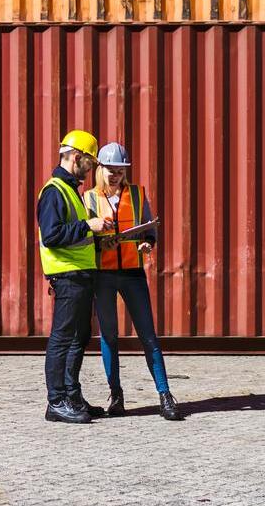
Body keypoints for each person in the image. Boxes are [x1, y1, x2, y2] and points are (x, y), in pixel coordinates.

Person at [83, 142, 183, 421]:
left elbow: (149, 227)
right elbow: (84, 237)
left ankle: (165, 395)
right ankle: (116, 395)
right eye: (111, 170)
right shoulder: (88, 198)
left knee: (148, 335)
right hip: (103, 274)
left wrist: (148, 243)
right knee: (109, 336)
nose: (116, 175)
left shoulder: (137, 194)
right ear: (100, 169)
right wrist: (100, 242)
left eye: (120, 171)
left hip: (132, 273)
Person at [37, 129, 112, 424]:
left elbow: (75, 235)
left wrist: (98, 238)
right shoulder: (54, 191)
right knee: (62, 338)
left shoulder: (71, 190)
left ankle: (71, 396)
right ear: (77, 157)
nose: (91, 169)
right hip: (67, 275)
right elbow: (52, 235)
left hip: (80, 275)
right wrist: (88, 226)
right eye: (90, 163)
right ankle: (56, 402)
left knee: (79, 338)